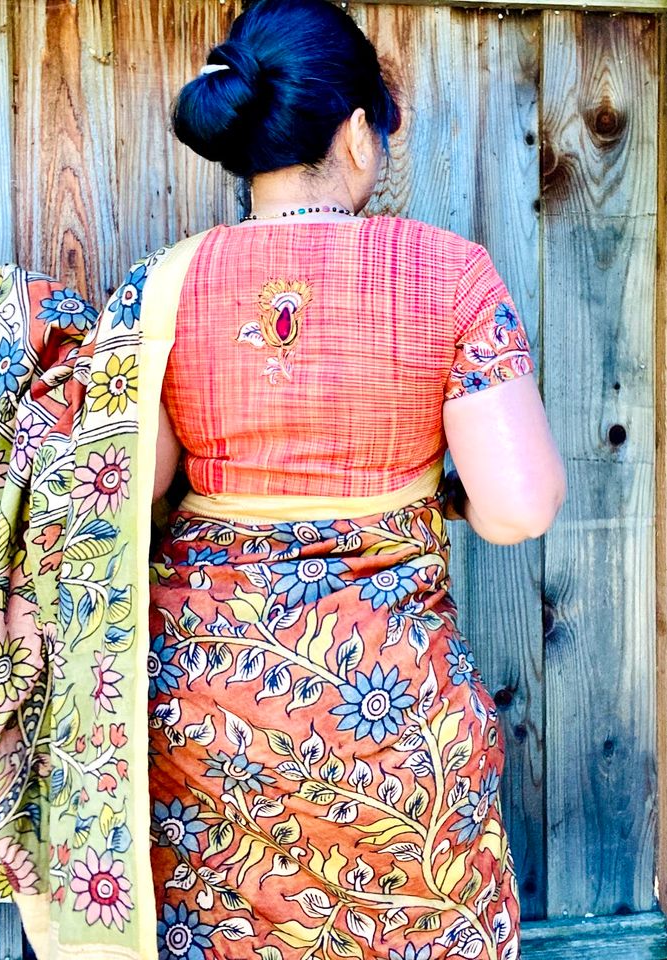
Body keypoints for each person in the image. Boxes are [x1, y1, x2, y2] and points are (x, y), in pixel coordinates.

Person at [142, 2, 566, 959]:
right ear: (354, 132)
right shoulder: (448, 275)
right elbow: (519, 505)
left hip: (203, 721)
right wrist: (435, 495)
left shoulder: (164, 283)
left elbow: (129, 498)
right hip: (391, 722)